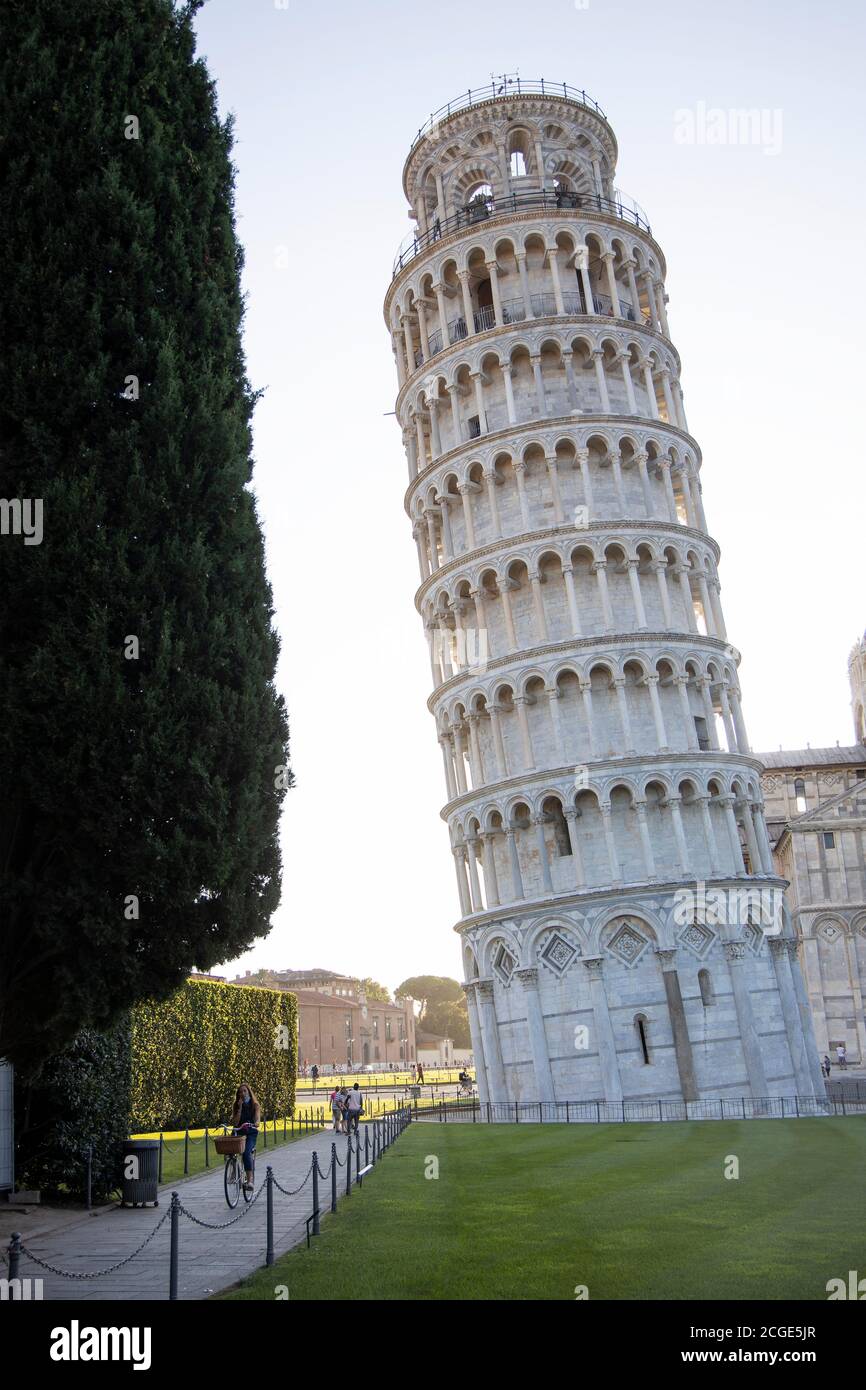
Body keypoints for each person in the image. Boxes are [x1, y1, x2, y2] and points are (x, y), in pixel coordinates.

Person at [231, 1083, 261, 1191]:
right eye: (240, 1092)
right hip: (239, 1132)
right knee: (230, 1152)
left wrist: (256, 1123)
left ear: (248, 1092)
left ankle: (250, 1181)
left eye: (245, 1091)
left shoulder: (255, 1105)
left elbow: (257, 1119)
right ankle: (235, 1171)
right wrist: (239, 1108)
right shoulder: (236, 1105)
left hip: (250, 1132)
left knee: (246, 1152)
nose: (242, 1094)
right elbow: (235, 1122)